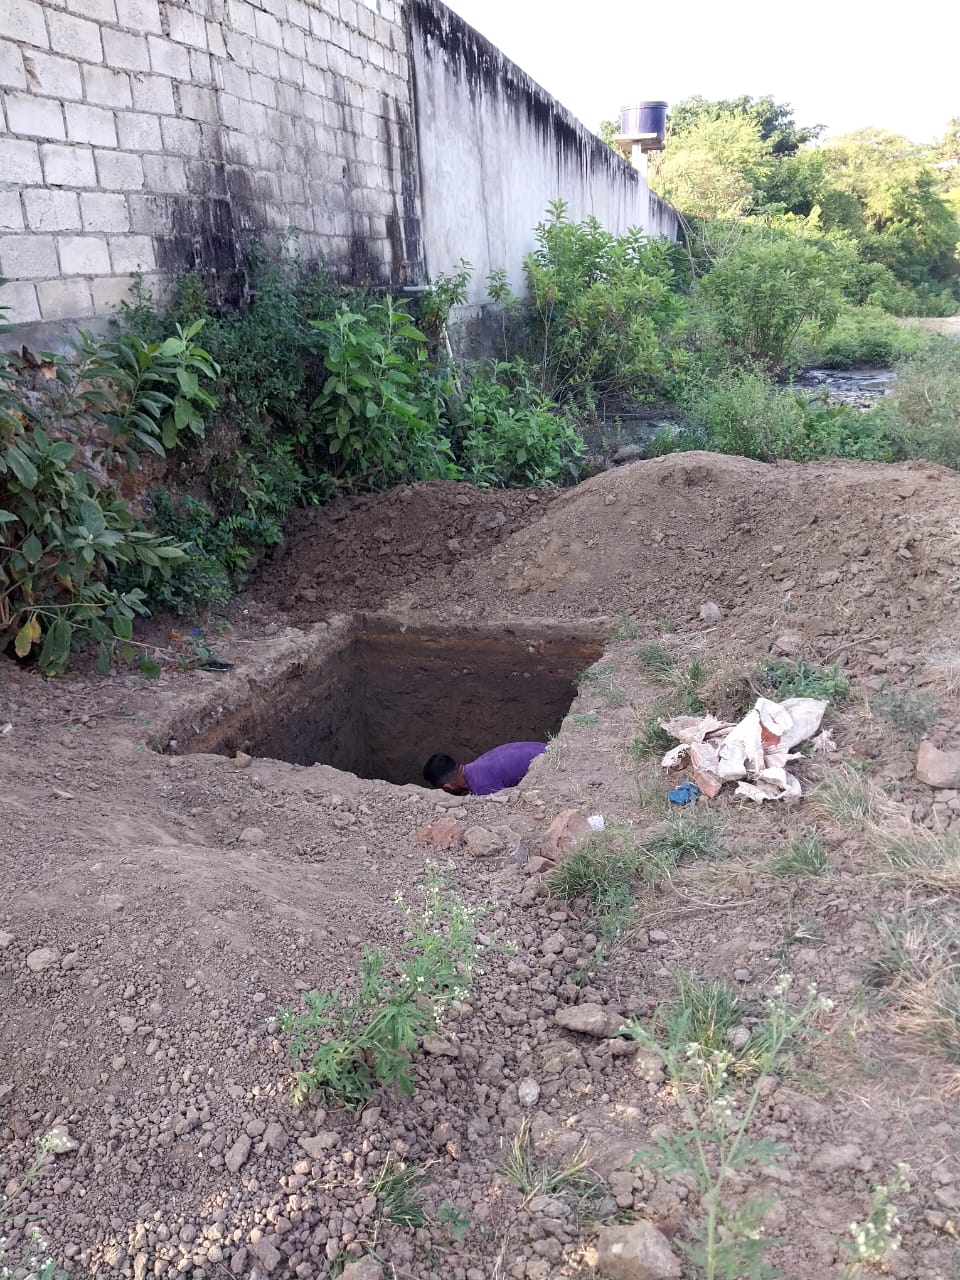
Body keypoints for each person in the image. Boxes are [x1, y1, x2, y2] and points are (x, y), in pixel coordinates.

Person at [423, 742, 547, 796]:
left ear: (447, 787)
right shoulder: (478, 767)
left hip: (551, 765)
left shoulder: (482, 786)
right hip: (550, 750)